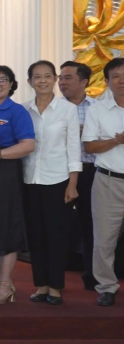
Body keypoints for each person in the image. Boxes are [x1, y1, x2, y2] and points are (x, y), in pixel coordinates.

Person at [0, 65, 36, 304]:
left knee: (5, 226)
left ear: (12, 84)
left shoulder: (17, 111)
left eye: (3, 80)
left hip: (6, 172)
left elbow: (28, 145)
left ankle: (5, 283)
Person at [23, 60, 81, 306]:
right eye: (37, 77)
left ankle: (56, 286)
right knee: (35, 236)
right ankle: (41, 284)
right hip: (29, 180)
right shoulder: (23, 110)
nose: (43, 81)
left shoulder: (67, 110)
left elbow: (73, 149)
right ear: (30, 82)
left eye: (47, 76)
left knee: (56, 235)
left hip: (58, 181)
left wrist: (72, 183)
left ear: (55, 79)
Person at [82, 57, 124, 307]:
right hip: (108, 181)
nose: (122, 80)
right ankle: (107, 286)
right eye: (116, 76)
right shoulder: (97, 109)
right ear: (107, 81)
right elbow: (89, 145)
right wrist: (116, 141)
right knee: (104, 240)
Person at [58, 61, 97, 290]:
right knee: (56, 225)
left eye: (68, 77)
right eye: (61, 78)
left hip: (90, 172)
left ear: (84, 82)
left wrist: (82, 132)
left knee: (91, 225)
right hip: (59, 173)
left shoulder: (98, 108)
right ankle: (54, 279)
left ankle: (92, 275)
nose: (62, 82)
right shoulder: (54, 108)